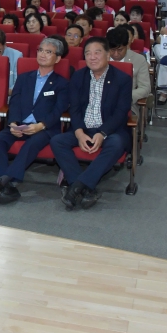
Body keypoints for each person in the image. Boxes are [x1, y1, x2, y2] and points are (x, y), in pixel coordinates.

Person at [50, 37, 133, 210]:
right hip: (83, 127)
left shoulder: (122, 79)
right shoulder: (78, 77)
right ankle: (84, 188)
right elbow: (75, 109)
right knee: (57, 141)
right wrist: (79, 132)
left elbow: (120, 112)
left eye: (97, 52)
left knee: (117, 143)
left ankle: (77, 186)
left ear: (108, 55)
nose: (92, 57)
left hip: (110, 130)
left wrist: (102, 133)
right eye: (88, 53)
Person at [0, 37, 70, 204]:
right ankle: (5, 183)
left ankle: (2, 182)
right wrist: (13, 123)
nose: (43, 55)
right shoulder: (25, 78)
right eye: (40, 50)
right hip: (21, 124)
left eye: (48, 52)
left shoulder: (62, 83)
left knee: (31, 144)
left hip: (45, 128)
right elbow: (15, 101)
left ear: (58, 58)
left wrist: (41, 125)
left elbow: (58, 110)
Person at [106, 26, 152, 114]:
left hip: (127, 104)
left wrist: (126, 96)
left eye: (120, 50)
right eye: (112, 50)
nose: (116, 54)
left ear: (127, 45)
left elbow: (145, 87)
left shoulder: (139, 59)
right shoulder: (100, 58)